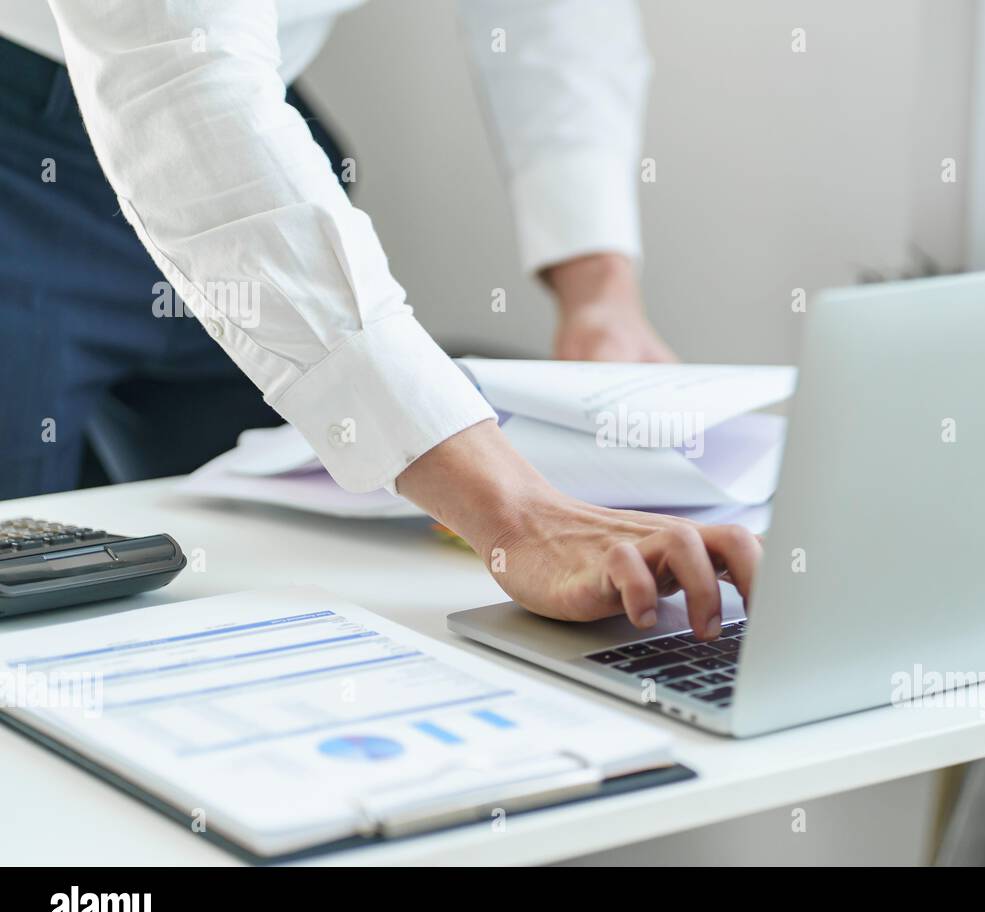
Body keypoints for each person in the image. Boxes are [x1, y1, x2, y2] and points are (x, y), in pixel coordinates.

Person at [0, 0, 760, 639]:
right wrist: (516, 516)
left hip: (262, 122)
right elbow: (179, 77)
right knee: (24, 616)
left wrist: (600, 294)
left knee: (288, 594)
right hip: (74, 128)